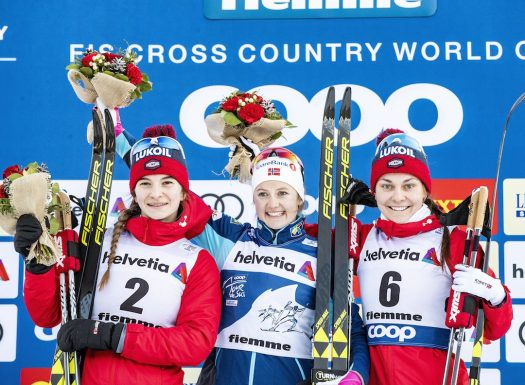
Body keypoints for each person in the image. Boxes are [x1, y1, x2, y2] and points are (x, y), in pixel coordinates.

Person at [114, 126, 370, 385]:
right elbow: (172, 193)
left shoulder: (323, 251)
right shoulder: (230, 238)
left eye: (283, 193)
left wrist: (356, 375)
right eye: (262, 194)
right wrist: (123, 138)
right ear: (253, 199)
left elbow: (352, 329)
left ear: (300, 201)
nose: (273, 204)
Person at [14, 128, 222, 385]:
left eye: (167, 182)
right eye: (145, 183)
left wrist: (111, 335)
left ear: (183, 191)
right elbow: (47, 315)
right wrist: (38, 265)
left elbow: (194, 344)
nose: (156, 194)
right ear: (134, 192)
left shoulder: (198, 262)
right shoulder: (98, 240)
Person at [340, 128, 513, 385]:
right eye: (387, 185)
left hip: (438, 377)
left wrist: (496, 296)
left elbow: (494, 329)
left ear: (424, 190)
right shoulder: (362, 238)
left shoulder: (451, 240)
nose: (398, 197)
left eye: (408, 185)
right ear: (374, 192)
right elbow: (293, 238)